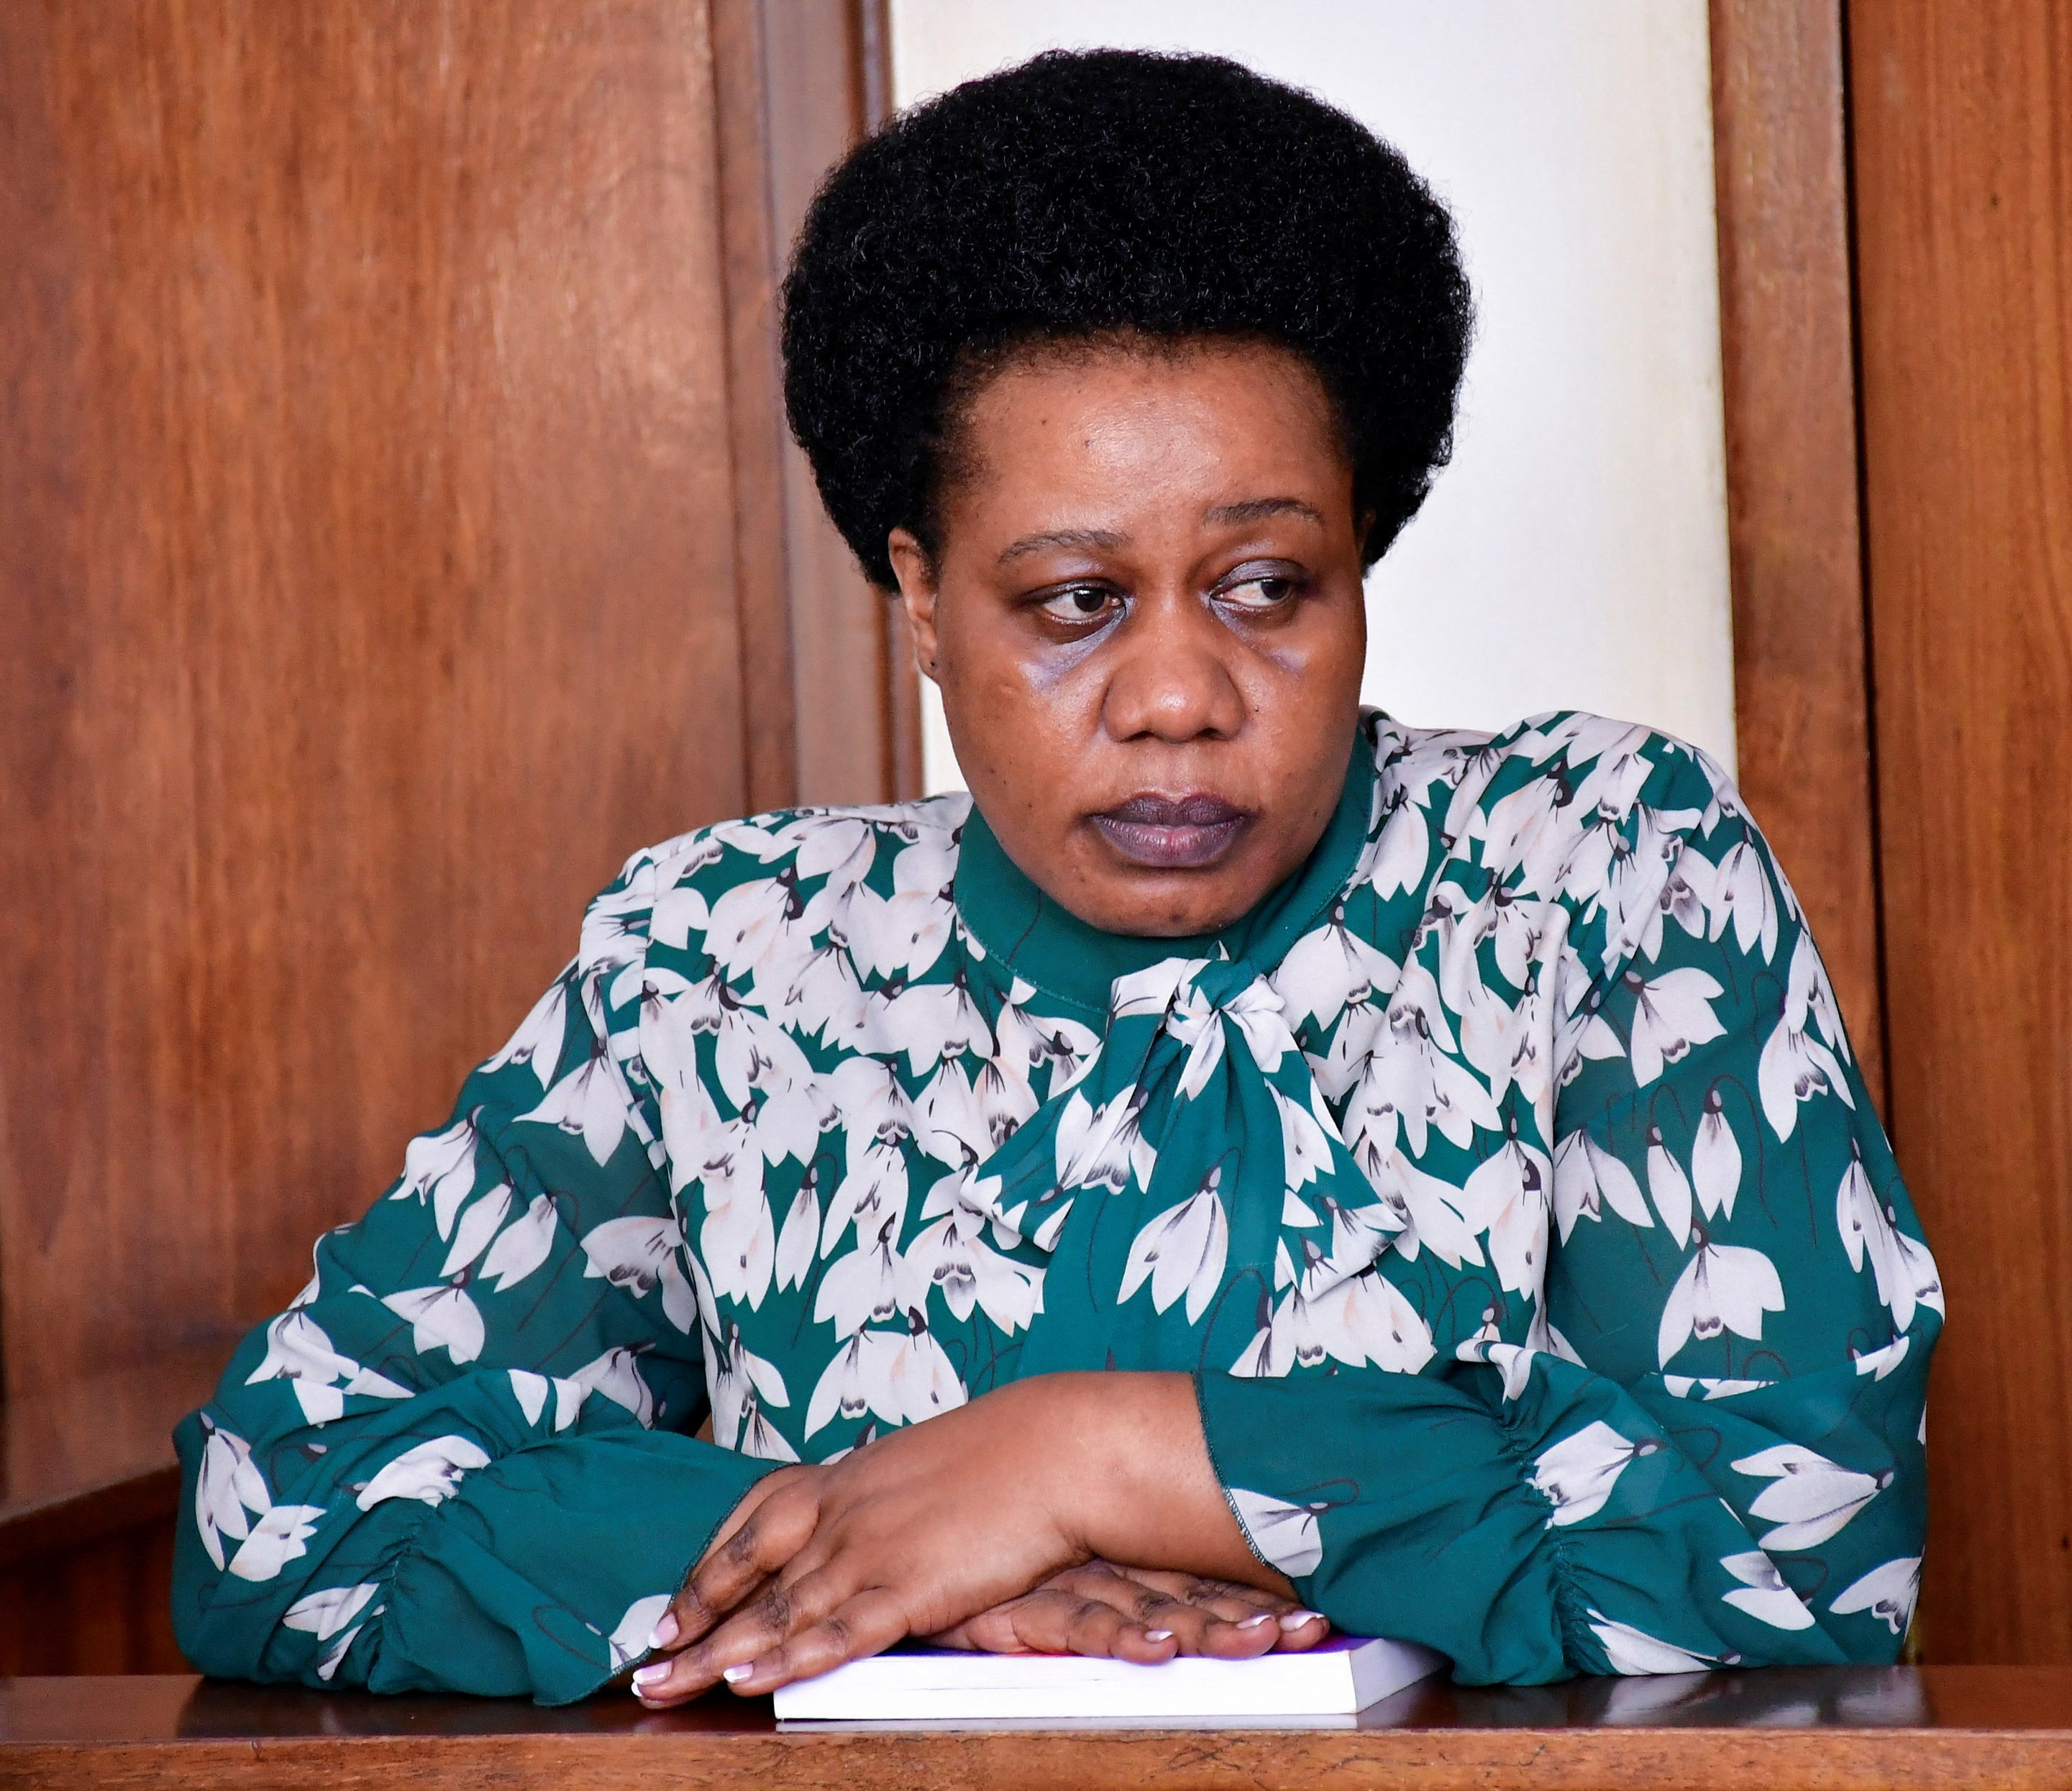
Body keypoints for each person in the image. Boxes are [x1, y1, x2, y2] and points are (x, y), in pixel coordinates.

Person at [170, 47, 1940, 1706]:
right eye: (1074, 603)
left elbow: (1804, 1536)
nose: (1178, 696)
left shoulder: (1604, 874)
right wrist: (907, 1562)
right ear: (924, 595)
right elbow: (279, 1500)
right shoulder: (722, 965)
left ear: (1361, 561)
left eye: (1265, 586)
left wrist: (1075, 1457)